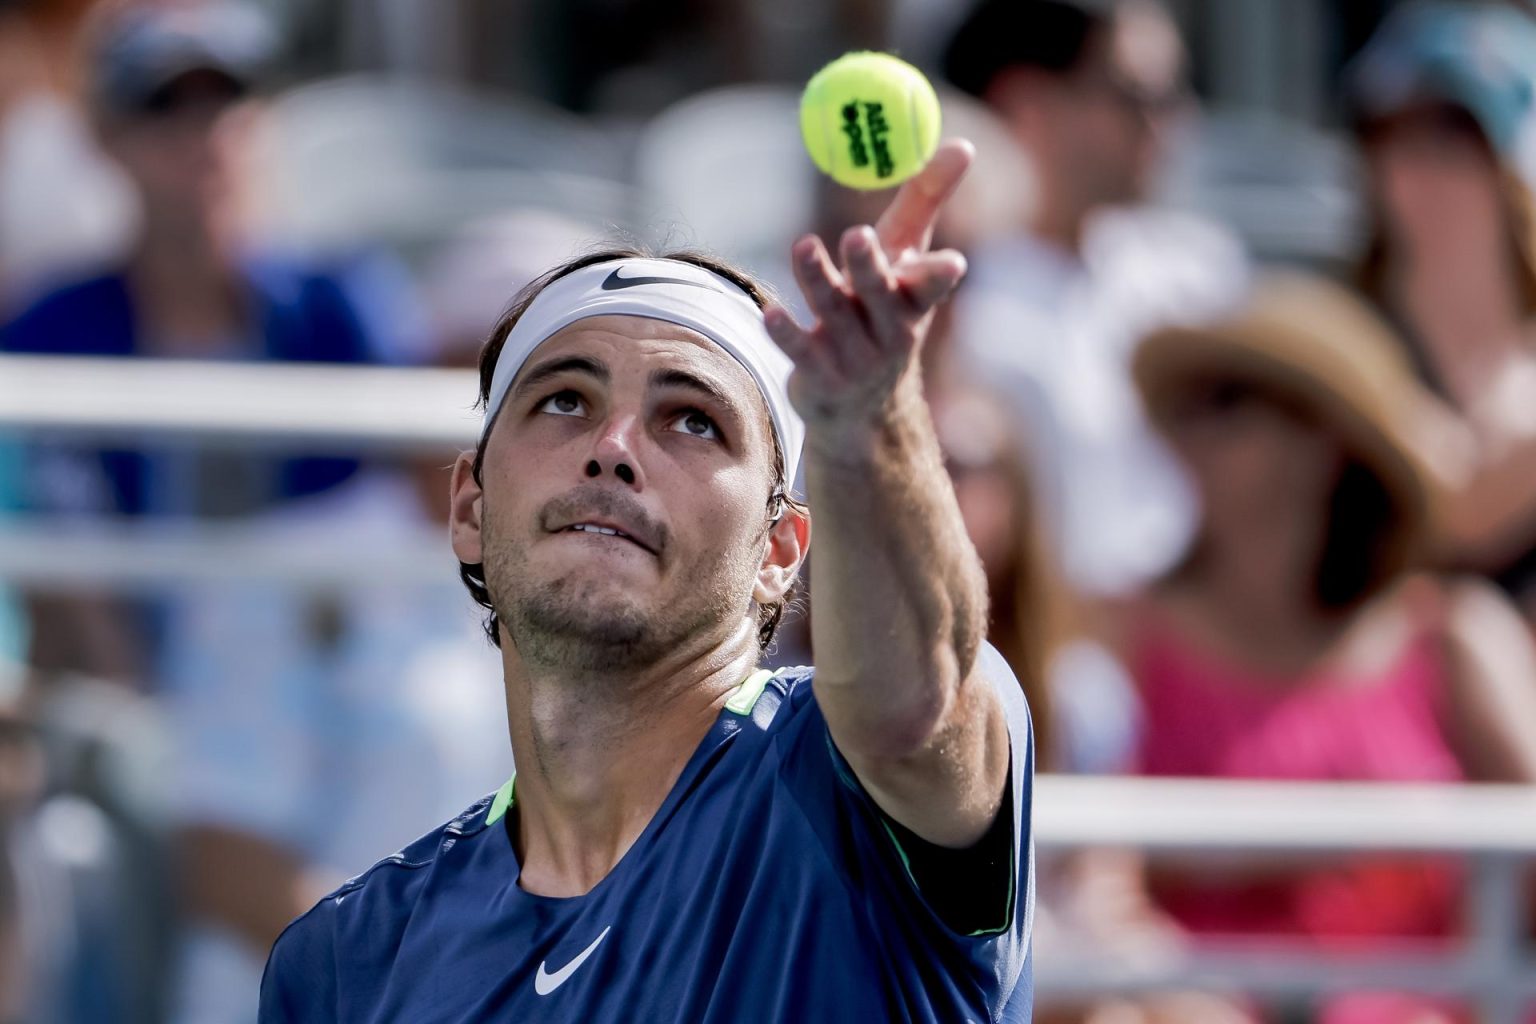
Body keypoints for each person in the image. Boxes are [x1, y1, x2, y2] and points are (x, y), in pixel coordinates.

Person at [259, 141, 1036, 1021]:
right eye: (564, 400)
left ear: (780, 550)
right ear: (470, 506)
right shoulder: (345, 962)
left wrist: (868, 425)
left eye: (694, 421)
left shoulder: (847, 781)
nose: (614, 448)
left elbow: (912, 714)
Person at [1122, 273, 1536, 1024]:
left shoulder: (1453, 638)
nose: (1187, 433)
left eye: (1226, 402)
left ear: (1321, 443)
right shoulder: (1120, 634)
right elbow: (1084, 885)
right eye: (1185, 407)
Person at [0, 4, 422, 683]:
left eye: (228, 97)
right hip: (120, 702)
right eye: (164, 103)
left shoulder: (347, 308)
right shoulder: (47, 332)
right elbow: (54, 576)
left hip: (329, 692)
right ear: (103, 136)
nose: (203, 132)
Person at [941, 0, 1247, 600]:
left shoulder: (1200, 269)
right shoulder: (945, 298)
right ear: (1028, 104)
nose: (1173, 121)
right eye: (1138, 95)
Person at [1346, 0, 1536, 628]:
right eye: (1390, 131)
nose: (1416, 164)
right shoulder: (1342, 336)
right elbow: (1457, 512)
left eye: (1454, 134)